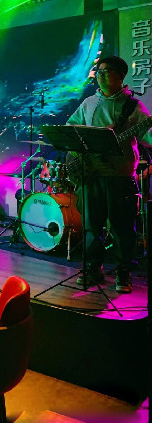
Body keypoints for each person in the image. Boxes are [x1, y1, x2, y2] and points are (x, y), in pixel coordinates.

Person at [67, 56, 152, 293]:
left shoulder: (133, 106)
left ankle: (123, 271)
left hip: (119, 175)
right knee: (91, 225)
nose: (101, 75)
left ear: (121, 76)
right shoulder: (89, 102)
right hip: (90, 173)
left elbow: (147, 136)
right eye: (99, 71)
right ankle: (93, 267)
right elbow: (71, 130)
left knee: (122, 227)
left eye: (107, 71)